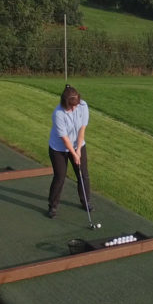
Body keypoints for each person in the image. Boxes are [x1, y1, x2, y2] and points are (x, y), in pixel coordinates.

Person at [47, 84, 91, 218]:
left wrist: (78, 150)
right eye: (71, 105)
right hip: (58, 148)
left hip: (78, 144)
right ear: (65, 102)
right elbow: (65, 139)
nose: (74, 107)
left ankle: (86, 202)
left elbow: (82, 130)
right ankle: (52, 207)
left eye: (76, 104)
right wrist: (73, 153)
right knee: (60, 176)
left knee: (83, 175)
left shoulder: (83, 106)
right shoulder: (58, 114)